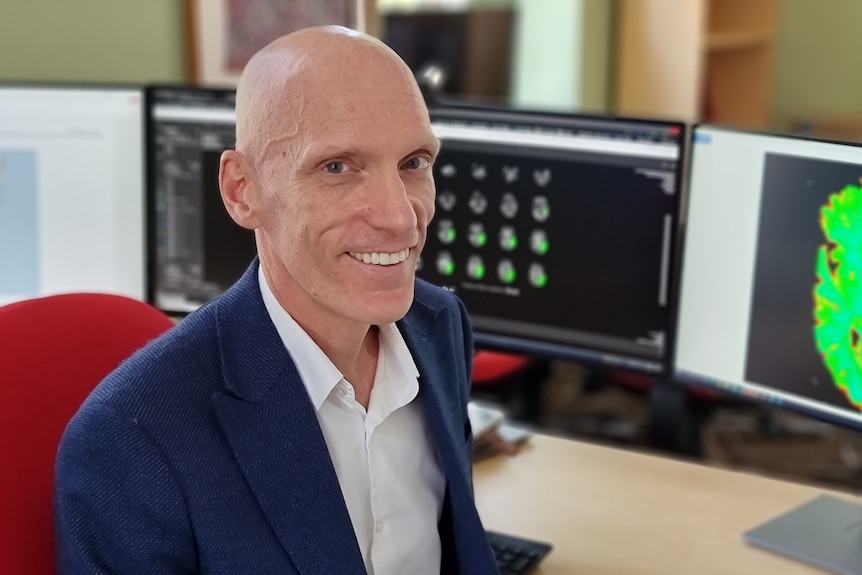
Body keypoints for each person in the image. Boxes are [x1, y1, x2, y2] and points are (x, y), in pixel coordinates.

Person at [54, 26, 499, 575]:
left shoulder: (438, 324)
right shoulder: (131, 440)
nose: (401, 217)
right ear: (243, 190)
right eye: (337, 167)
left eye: (414, 162)